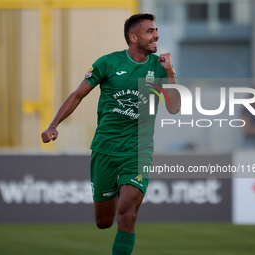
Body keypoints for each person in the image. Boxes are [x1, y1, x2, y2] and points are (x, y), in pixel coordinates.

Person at [41, 13, 180, 255]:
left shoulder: (158, 68)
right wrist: (54, 125)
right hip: (105, 149)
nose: (156, 34)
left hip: (138, 151)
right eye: (150, 31)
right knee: (104, 222)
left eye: (156, 30)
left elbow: (174, 108)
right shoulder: (107, 63)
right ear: (133, 37)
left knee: (127, 212)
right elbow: (77, 95)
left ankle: (127, 188)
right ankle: (116, 187)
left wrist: (170, 73)